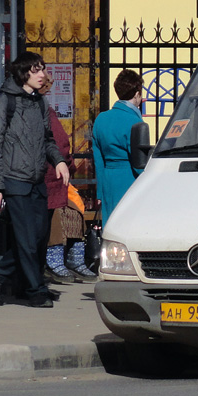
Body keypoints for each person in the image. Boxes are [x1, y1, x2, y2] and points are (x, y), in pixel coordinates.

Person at [0, 51, 70, 308]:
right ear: (24, 73)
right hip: (14, 181)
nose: (43, 74)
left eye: (43, 69)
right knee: (27, 239)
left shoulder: (40, 103)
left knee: (39, 237)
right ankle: (36, 291)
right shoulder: (3, 103)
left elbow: (47, 141)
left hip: (37, 181)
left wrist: (60, 161)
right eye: (37, 70)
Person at [38, 74, 96, 284]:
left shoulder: (44, 109)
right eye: (47, 84)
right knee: (57, 216)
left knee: (74, 207)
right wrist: (67, 164)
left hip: (55, 177)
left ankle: (72, 258)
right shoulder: (43, 110)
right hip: (49, 176)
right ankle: (56, 260)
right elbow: (60, 144)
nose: (50, 88)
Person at [92, 69, 146, 226]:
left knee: (110, 226)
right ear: (137, 94)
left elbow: (98, 159)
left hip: (108, 179)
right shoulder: (135, 122)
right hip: (129, 178)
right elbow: (139, 162)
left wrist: (100, 191)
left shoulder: (101, 119)